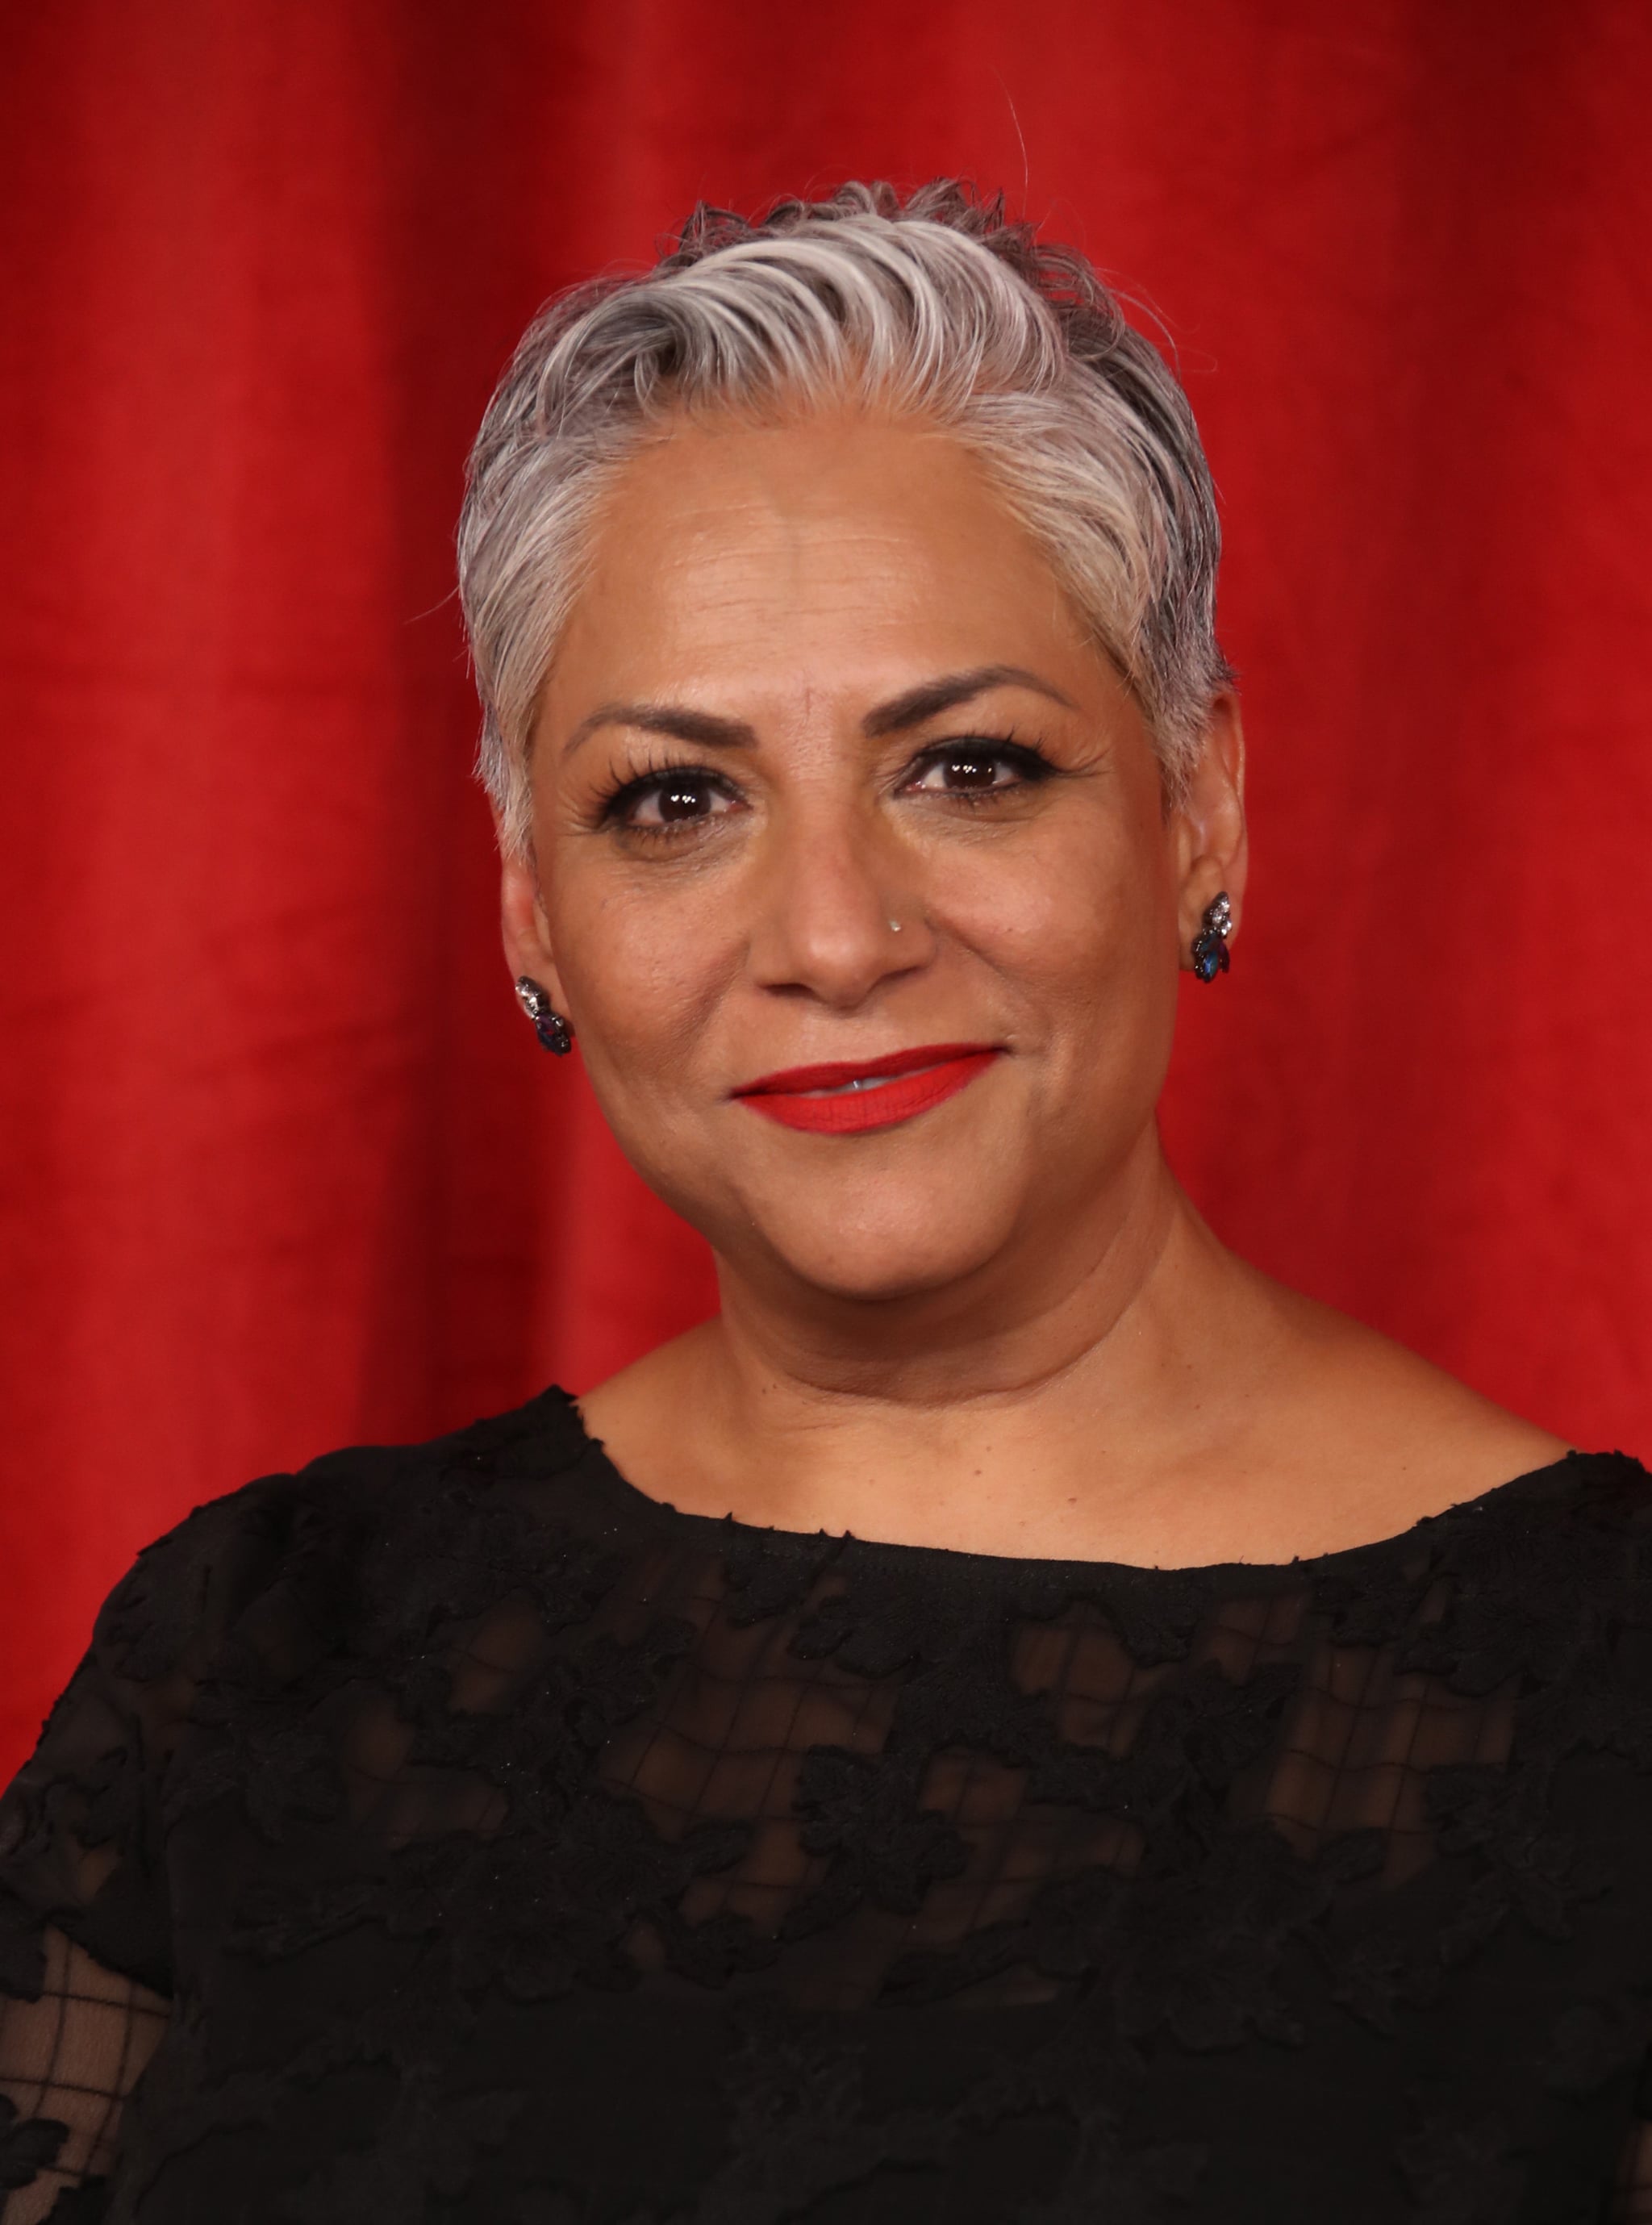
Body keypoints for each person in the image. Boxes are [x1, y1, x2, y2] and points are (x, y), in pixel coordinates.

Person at [1, 179, 1647, 2225]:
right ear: (534, 902)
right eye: (673, 799)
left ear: (1197, 798)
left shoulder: (1607, 1693)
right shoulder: (255, 1659)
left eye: (965, 764)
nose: (834, 935)